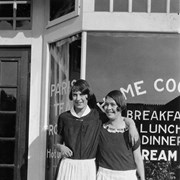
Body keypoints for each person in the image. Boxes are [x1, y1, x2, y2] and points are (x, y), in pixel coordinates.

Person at [55, 79, 139, 180]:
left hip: (88, 167)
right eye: (75, 95)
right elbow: (56, 142)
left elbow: (119, 118)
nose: (78, 98)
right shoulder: (64, 117)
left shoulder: (97, 116)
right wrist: (60, 147)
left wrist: (132, 125)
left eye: (82, 94)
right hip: (68, 166)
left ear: (87, 96)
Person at [97, 90, 145, 180]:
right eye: (106, 104)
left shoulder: (131, 131)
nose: (108, 108)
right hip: (104, 175)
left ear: (120, 106)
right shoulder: (101, 129)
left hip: (127, 176)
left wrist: (142, 178)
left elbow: (138, 158)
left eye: (112, 104)